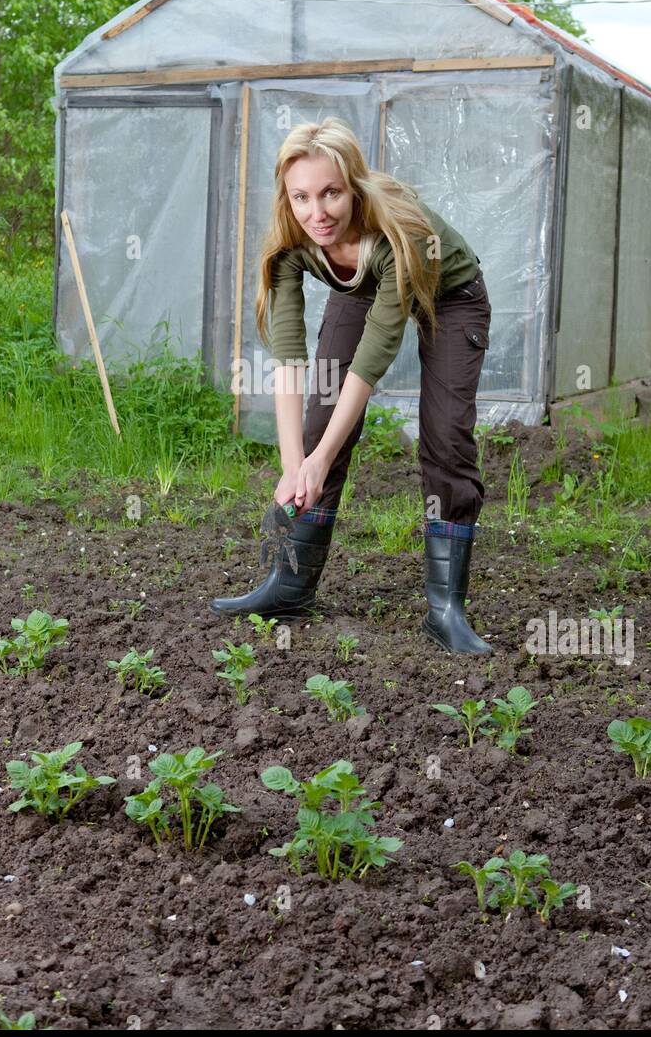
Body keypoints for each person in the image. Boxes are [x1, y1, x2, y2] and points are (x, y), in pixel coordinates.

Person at [209, 117, 493, 655]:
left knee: (446, 435)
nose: (317, 213)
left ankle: (444, 610)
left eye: (331, 193)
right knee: (317, 425)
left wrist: (318, 461)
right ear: (287, 198)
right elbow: (289, 355)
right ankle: (289, 587)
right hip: (363, 288)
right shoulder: (292, 239)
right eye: (302, 197)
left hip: (449, 291)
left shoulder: (397, 232)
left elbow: (369, 364)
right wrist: (297, 464)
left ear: (354, 187)